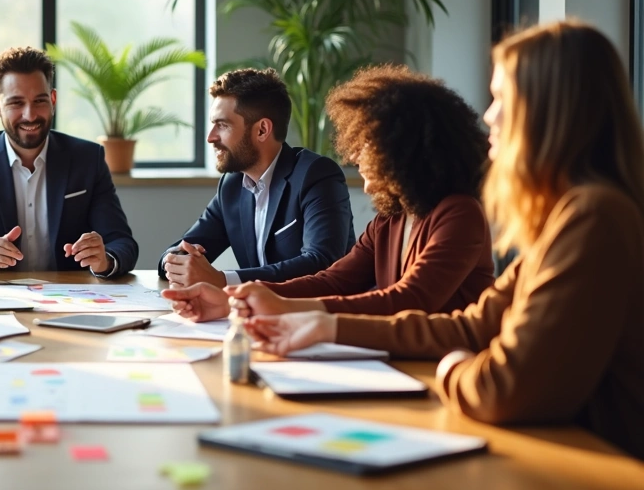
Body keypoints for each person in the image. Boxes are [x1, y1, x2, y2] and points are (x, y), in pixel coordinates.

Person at [175, 22, 644, 459]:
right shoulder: (564, 218)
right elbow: (473, 326)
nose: (490, 115)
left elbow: (498, 381)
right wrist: (238, 298)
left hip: (596, 464)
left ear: (550, 110)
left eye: (503, 97)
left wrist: (452, 367)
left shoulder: (591, 217)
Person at [165, 65, 495, 320]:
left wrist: (257, 299)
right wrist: (232, 299)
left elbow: (408, 301)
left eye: (366, 144)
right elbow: (332, 281)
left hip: (443, 370)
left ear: (402, 150)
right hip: (398, 363)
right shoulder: (389, 219)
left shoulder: (459, 215)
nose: (354, 156)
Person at [0, 46, 138, 278]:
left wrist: (104, 260)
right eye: (16, 103)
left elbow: (122, 243)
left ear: (53, 100)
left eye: (39, 101)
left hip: (71, 302)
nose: (30, 115)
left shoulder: (87, 159)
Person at [159, 68, 355, 287]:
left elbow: (321, 262)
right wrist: (176, 261)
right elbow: (184, 247)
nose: (210, 137)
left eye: (222, 125)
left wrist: (224, 280)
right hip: (254, 313)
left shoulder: (316, 175)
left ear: (262, 130)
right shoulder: (232, 185)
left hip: (315, 313)